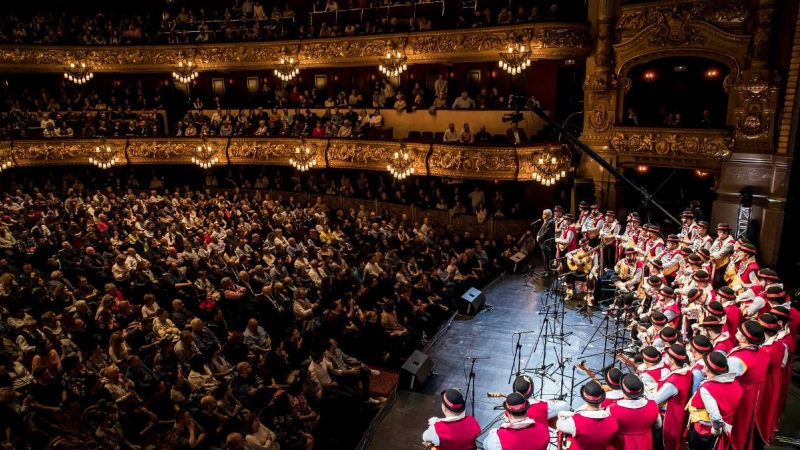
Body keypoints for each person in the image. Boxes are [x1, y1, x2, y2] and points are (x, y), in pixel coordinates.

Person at [686, 352, 742, 450]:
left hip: (705, 431)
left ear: (707, 369)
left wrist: (716, 430)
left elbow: (715, 417)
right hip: (726, 423)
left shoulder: (707, 388)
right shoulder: (735, 383)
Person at [556, 381, 620, 450]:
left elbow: (559, 424)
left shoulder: (575, 422)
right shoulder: (612, 421)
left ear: (585, 398)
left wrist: (568, 414)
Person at [607, 374, 661, 450]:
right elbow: (658, 425)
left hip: (622, 444)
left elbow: (608, 431)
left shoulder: (612, 408)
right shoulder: (653, 405)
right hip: (645, 442)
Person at [483, 392, 550, 450]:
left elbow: (486, 445)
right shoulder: (543, 430)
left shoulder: (497, 438)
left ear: (508, 413)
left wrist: (492, 433)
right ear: (526, 410)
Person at [536, 209, 555, 277]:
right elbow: (541, 230)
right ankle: (546, 270)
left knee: (548, 258)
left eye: (544, 214)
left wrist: (539, 238)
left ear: (548, 215)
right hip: (543, 242)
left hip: (547, 243)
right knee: (544, 257)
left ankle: (549, 272)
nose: (542, 215)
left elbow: (546, 233)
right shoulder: (546, 221)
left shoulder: (551, 222)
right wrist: (538, 236)